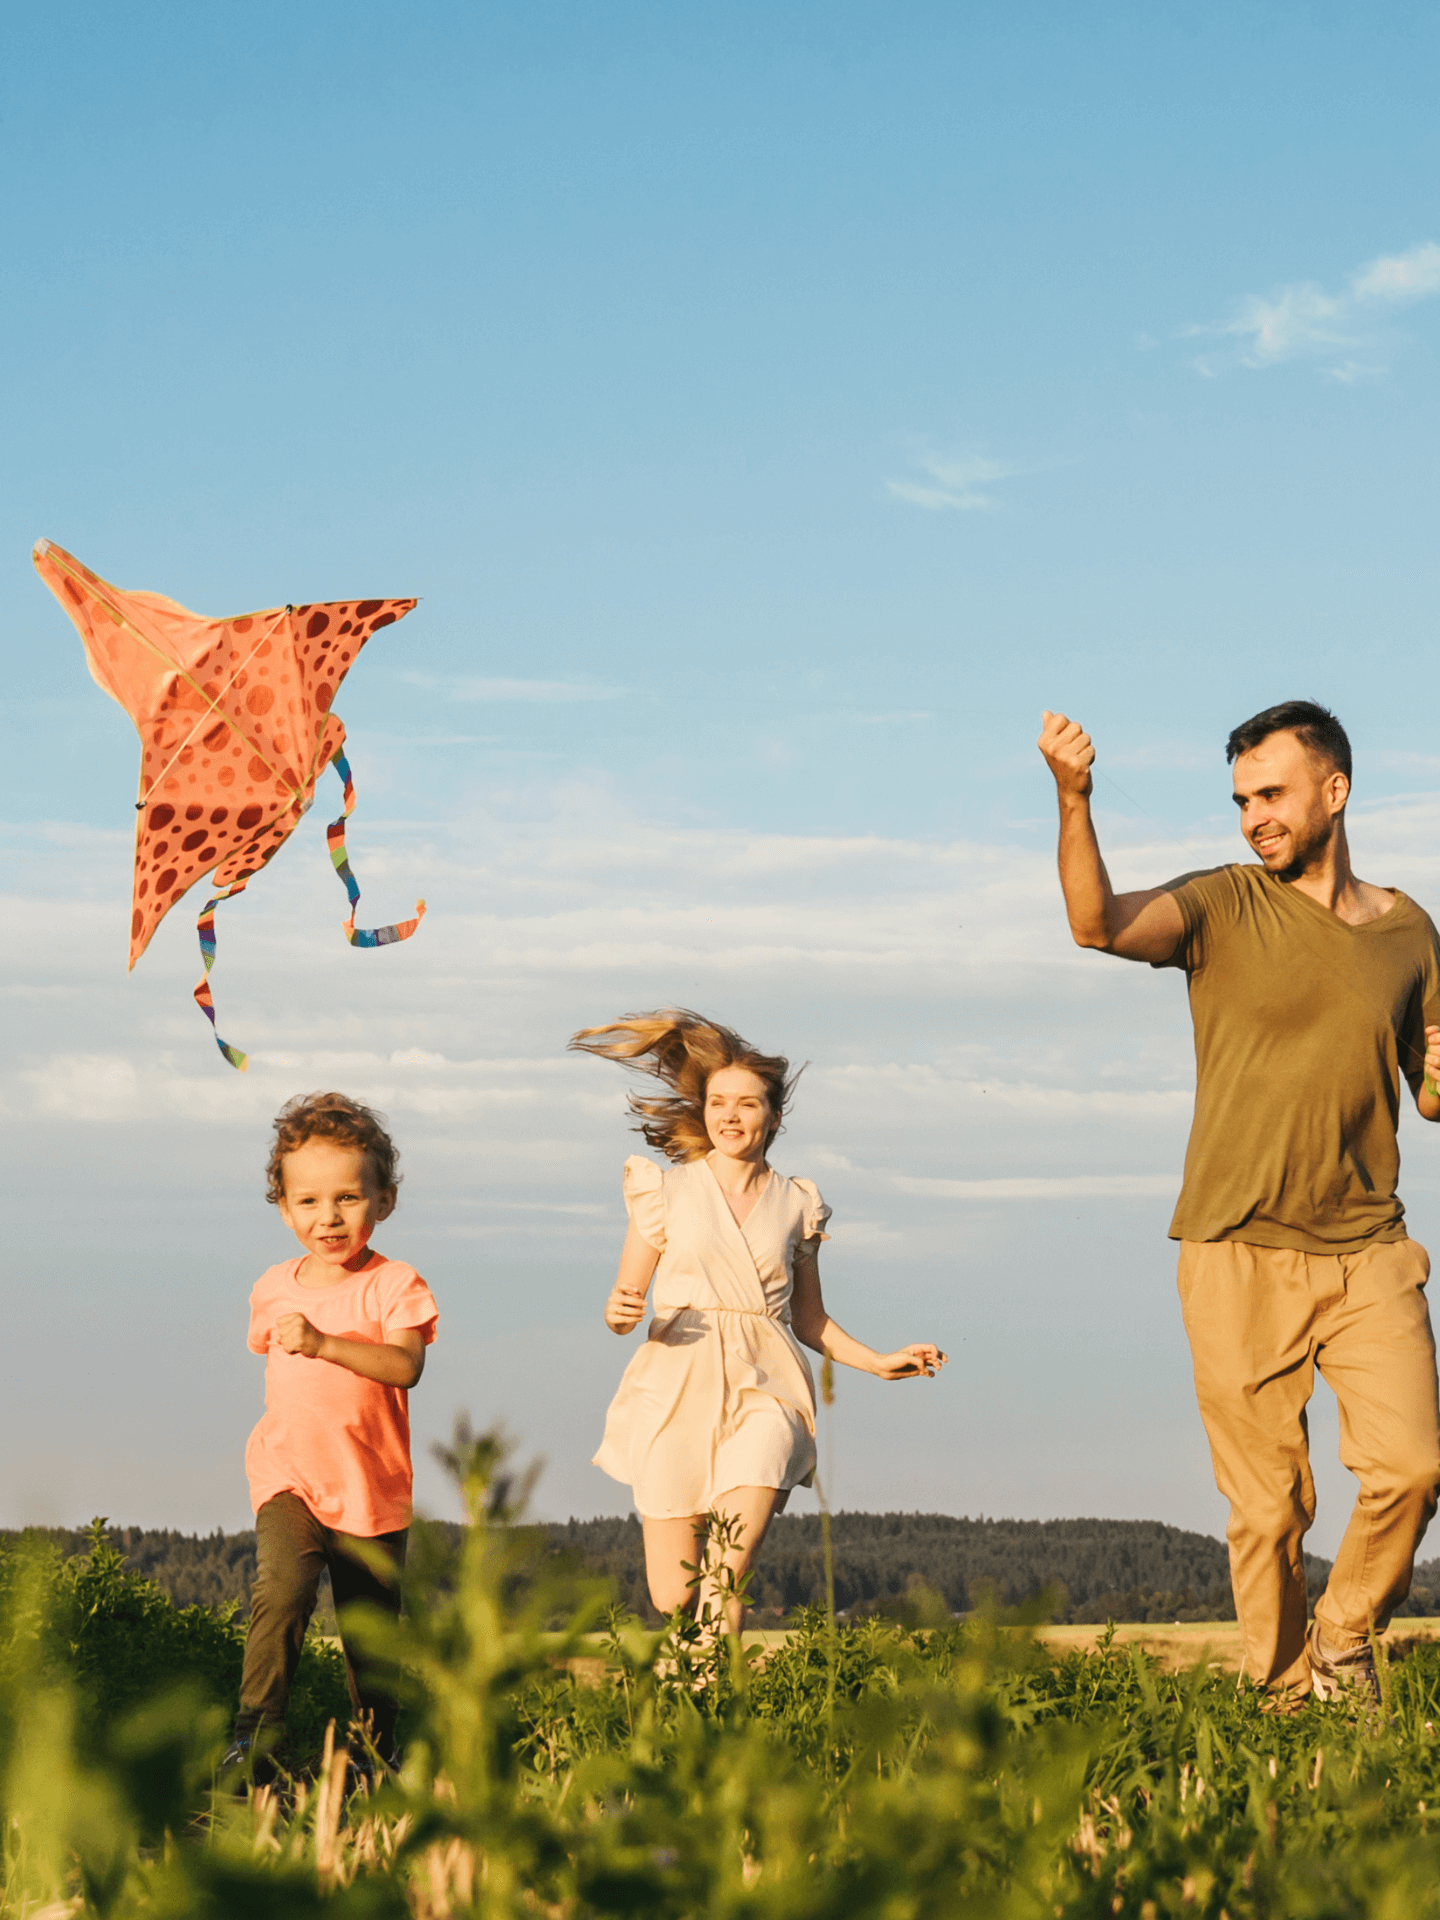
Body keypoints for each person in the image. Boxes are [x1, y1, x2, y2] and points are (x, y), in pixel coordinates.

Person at [1037, 699, 1440, 1705]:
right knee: (1270, 1513)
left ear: (1333, 791)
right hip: (1234, 1249)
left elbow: (1429, 1091)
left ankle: (1341, 1637)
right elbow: (1097, 924)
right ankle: (1281, 1708)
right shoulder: (1223, 905)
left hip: (1367, 1248)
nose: (1253, 815)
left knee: (1414, 1468)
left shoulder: (1407, 932)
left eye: (1271, 794)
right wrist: (1073, 798)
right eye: (1240, 800)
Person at [570, 1009, 947, 1631]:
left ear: (773, 1115)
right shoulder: (663, 1193)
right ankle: (686, 1701)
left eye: (747, 1104)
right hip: (674, 1383)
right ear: (703, 1110)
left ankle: (718, 1704)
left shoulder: (797, 1203)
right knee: (673, 1596)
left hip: (764, 1385)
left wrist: (878, 1362)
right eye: (718, 1102)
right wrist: (618, 1312)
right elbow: (623, 1302)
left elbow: (810, 1320)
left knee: (725, 1575)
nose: (730, 1116)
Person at [222, 1092, 439, 1781]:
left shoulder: (394, 1285)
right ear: (283, 1207)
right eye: (309, 1202)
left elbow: (403, 1366)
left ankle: (376, 1753)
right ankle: (253, 1741)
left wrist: (323, 1342)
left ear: (385, 1200)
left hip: (370, 1490)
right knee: (282, 1590)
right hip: (290, 1476)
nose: (329, 1217)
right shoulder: (271, 1287)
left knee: (370, 1635)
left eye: (348, 1198)